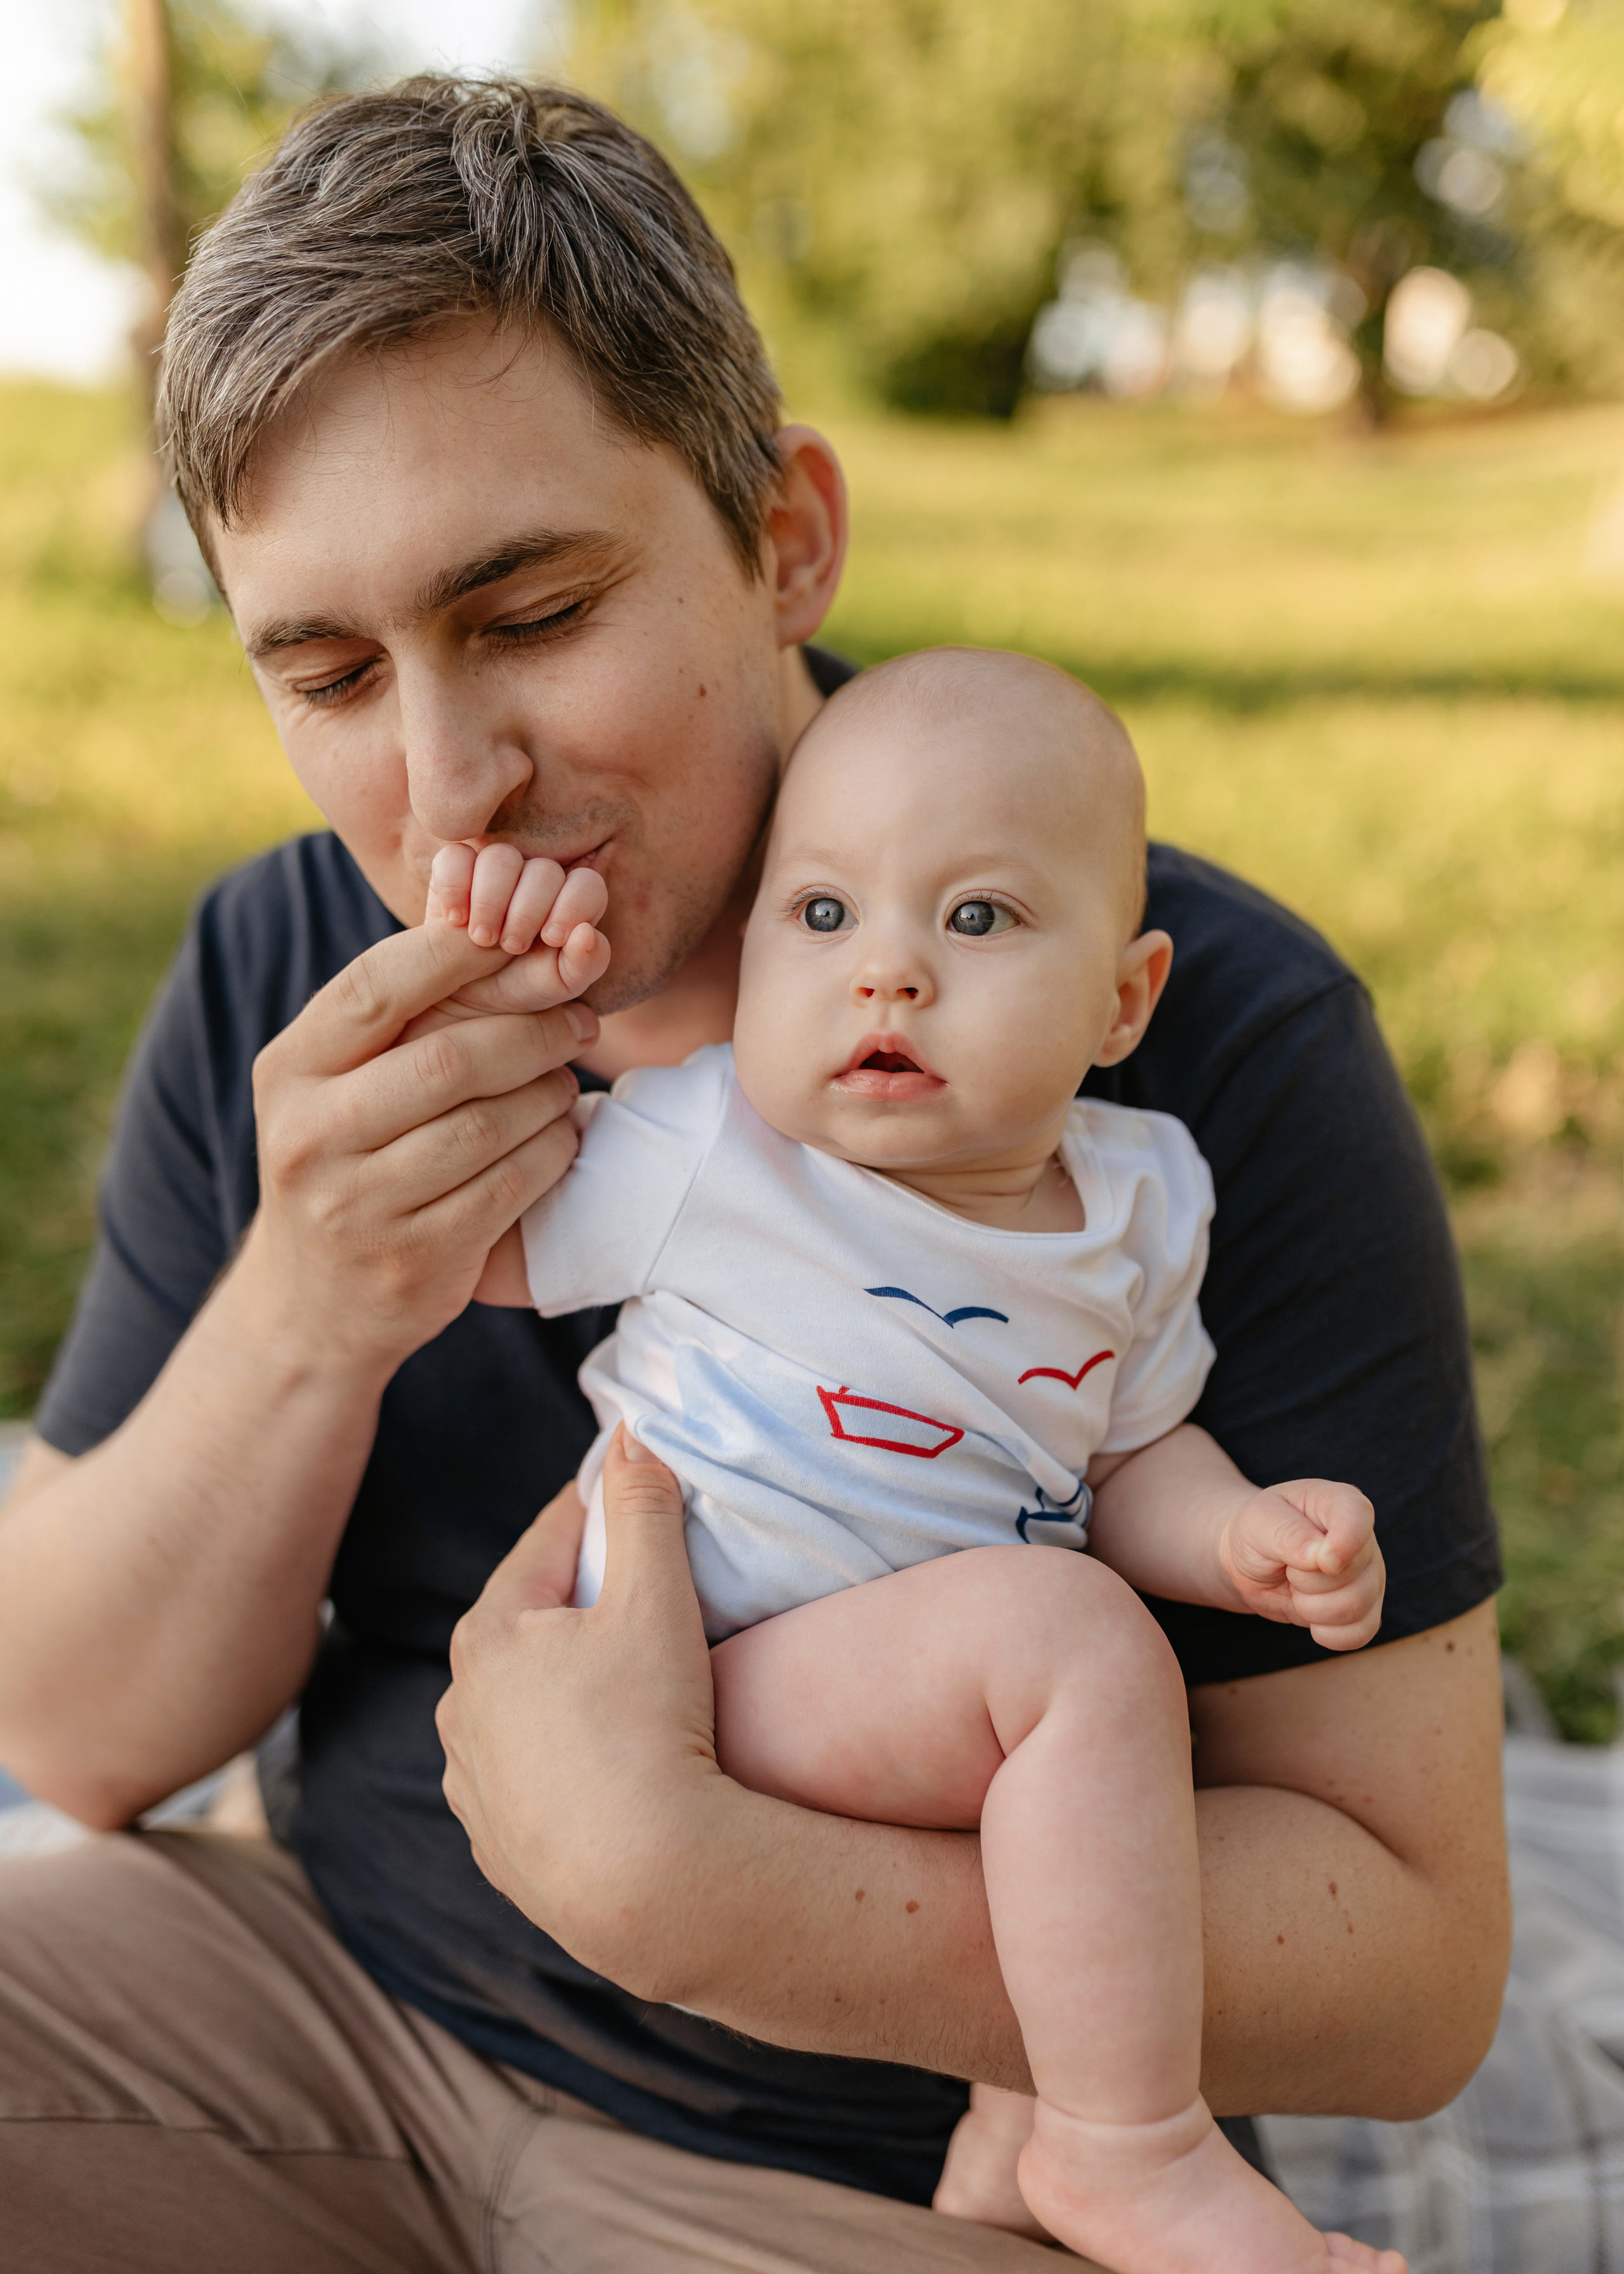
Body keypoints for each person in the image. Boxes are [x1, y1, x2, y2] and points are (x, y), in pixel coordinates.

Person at [0, 75, 1507, 2274]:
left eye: (531, 614)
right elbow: (76, 1739)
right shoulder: (287, 959)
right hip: (312, 1995)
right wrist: (311, 1306)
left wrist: (712, 1893)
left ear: (786, 539)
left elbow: (1418, 1972)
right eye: (325, 672)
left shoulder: (1193, 1050)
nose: (447, 787)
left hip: (861, 2164)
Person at [463, 644, 1405, 2273]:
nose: (886, 974)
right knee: (1072, 1649)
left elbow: (1129, 1453)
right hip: (692, 1671)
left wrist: (1241, 1536)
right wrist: (496, 1007)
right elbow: (469, 1238)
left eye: (975, 917)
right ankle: (1129, 2147)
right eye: (822, 913)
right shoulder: (706, 1145)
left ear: (1120, 1001)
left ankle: (1008, 2140)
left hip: (907, 1688)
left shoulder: (1140, 1203)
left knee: (1084, 1718)